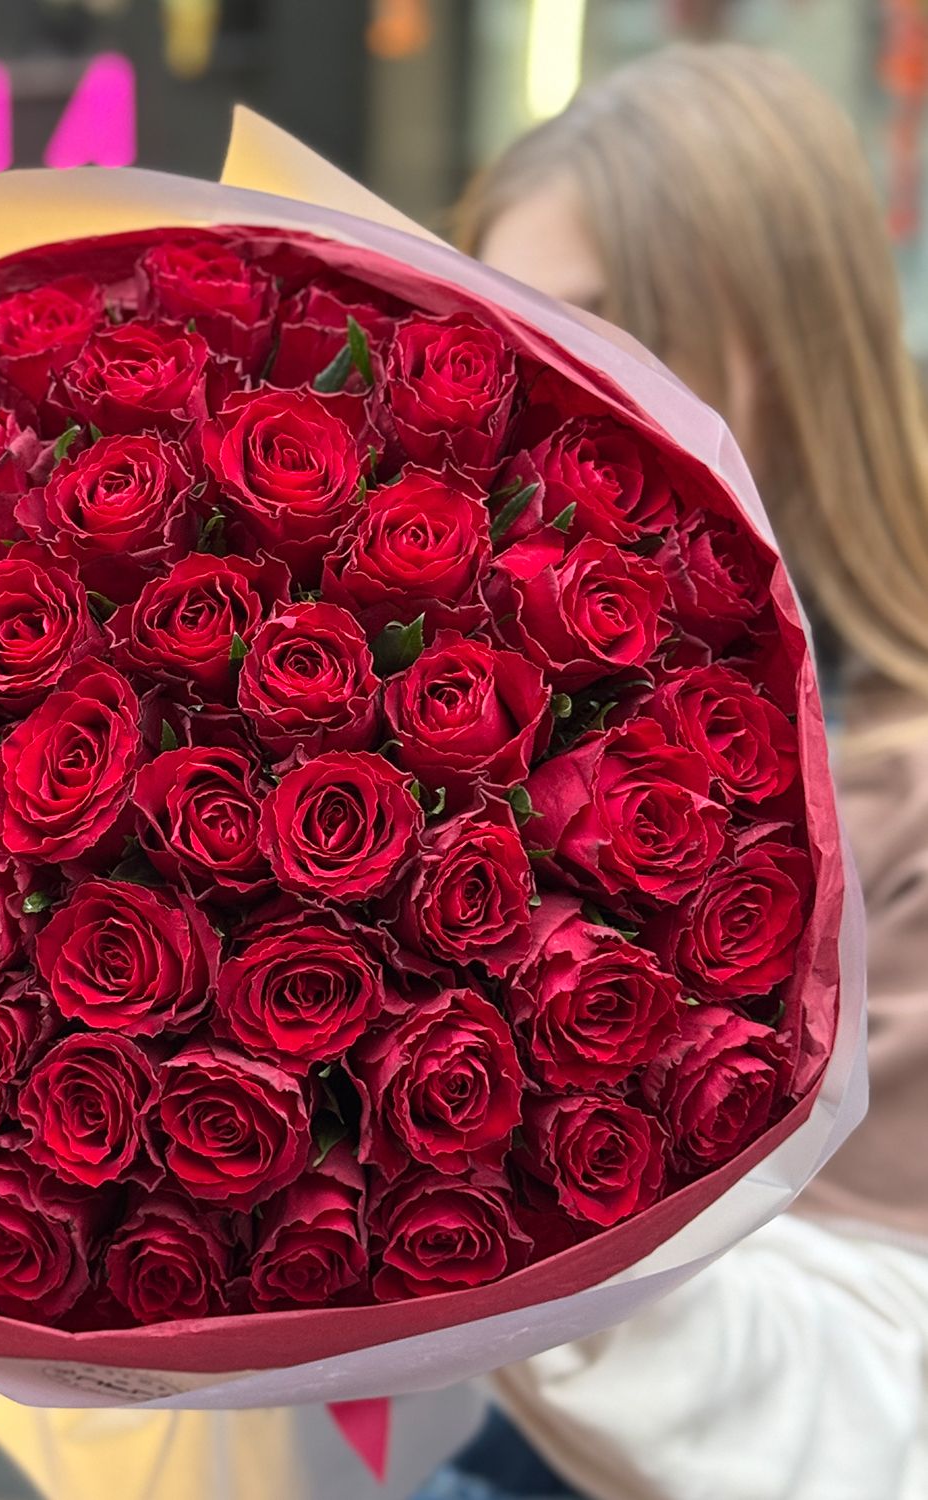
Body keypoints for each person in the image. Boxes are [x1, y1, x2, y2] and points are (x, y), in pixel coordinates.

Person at [426, 41, 928, 1500]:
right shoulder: (489, 722)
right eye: (505, 346)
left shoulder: (900, 792)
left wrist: (484, 1194)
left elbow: (882, 1393)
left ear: (789, 346)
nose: (543, 404)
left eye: (610, 338)